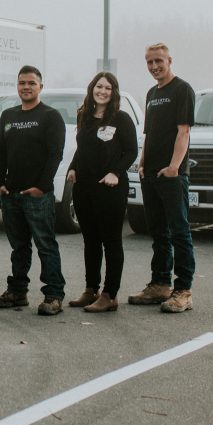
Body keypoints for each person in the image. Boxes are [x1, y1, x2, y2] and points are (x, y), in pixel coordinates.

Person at [0, 65, 67, 316]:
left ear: (40, 87)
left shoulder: (50, 116)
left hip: (38, 196)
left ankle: (53, 294)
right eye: (22, 82)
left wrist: (41, 187)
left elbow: (55, 155)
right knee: (19, 247)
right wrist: (1, 182)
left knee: (45, 245)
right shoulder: (8, 116)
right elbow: (0, 152)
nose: (26, 87)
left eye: (31, 83)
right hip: (11, 195)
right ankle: (18, 292)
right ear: (17, 86)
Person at [129, 43, 196, 314]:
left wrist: (174, 167)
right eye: (149, 62)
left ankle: (184, 291)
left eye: (158, 60)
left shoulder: (182, 89)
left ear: (169, 60)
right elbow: (150, 134)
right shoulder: (151, 93)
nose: (154, 66)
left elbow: (183, 132)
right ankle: (160, 284)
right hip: (151, 174)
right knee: (158, 232)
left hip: (171, 175)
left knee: (179, 232)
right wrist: (143, 163)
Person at [65, 71, 138, 313]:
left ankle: (110, 294)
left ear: (113, 92)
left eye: (108, 88)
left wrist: (115, 172)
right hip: (84, 188)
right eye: (99, 86)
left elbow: (130, 152)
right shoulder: (84, 116)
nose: (102, 91)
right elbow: (82, 148)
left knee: (111, 240)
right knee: (91, 240)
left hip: (110, 189)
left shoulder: (121, 119)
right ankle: (91, 289)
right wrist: (73, 167)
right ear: (92, 89)